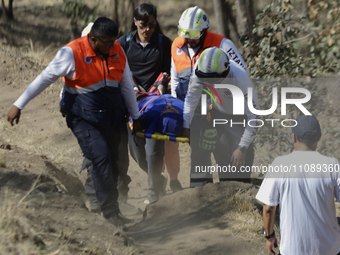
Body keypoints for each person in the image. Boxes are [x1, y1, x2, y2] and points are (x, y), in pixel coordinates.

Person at [7, 17, 142, 229]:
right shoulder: (71, 53)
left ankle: (109, 209)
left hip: (112, 116)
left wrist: (136, 116)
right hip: (83, 117)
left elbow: (126, 86)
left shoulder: (117, 50)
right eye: (106, 42)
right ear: (93, 39)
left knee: (115, 162)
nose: (111, 46)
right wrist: (19, 104)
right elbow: (44, 78)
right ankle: (109, 215)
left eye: (113, 41)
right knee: (101, 157)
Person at [167, 6, 249, 190]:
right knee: (198, 158)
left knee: (225, 155)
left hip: (221, 113)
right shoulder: (177, 46)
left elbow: (242, 77)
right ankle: (200, 199)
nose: (188, 40)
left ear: (204, 32)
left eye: (193, 36)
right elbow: (174, 82)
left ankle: (231, 195)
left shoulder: (223, 45)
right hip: (194, 114)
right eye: (185, 35)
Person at [117, 3, 176, 202]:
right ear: (135, 22)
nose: (147, 30)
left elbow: (170, 71)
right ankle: (157, 179)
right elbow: (117, 70)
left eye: (151, 25)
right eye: (142, 25)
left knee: (153, 150)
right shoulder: (123, 44)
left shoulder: (164, 43)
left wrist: (163, 83)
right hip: (131, 105)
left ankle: (153, 193)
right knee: (137, 153)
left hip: (155, 103)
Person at [256, 115, 340, 255]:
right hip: (329, 248)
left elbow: (269, 208)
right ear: (318, 137)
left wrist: (270, 237)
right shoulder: (332, 165)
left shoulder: (280, 164)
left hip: (292, 249)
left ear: (293, 137)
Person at [182, 47, 260, 187]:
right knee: (220, 151)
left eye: (212, 79)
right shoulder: (200, 70)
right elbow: (191, 99)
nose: (207, 82)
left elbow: (254, 117)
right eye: (203, 78)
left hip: (240, 116)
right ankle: (224, 189)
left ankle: (242, 191)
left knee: (240, 161)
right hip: (217, 112)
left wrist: (242, 148)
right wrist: (185, 126)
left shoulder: (240, 80)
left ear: (225, 72)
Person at [128, 93, 184, 204]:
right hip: (142, 107)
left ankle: (153, 191)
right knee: (142, 154)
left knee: (156, 153)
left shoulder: (185, 113)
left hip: (169, 109)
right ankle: (158, 177)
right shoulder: (147, 115)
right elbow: (133, 119)